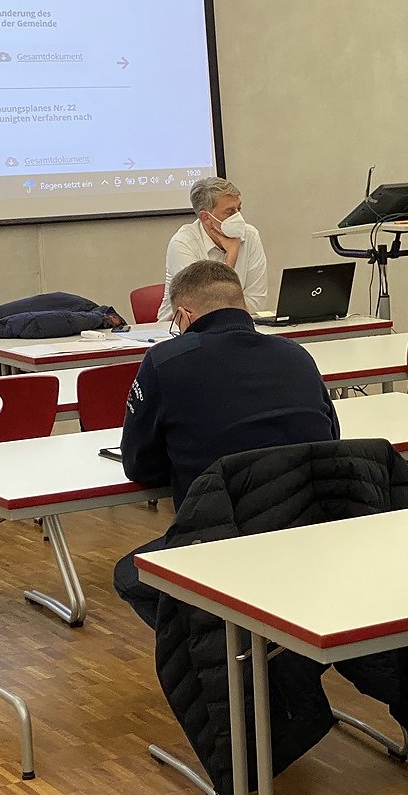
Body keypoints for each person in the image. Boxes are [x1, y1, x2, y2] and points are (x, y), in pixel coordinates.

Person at [114, 260, 339, 628]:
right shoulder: (296, 355)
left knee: (130, 576)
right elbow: (331, 440)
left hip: (224, 535)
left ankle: (224, 644)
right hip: (312, 527)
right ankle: (260, 642)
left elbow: (139, 466)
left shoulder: (165, 361)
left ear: (183, 316)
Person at [157, 176, 269, 320]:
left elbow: (257, 299)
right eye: (230, 212)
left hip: (238, 324)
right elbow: (203, 306)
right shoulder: (183, 243)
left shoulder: (250, 235)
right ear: (206, 218)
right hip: (181, 329)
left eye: (239, 209)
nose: (238, 217)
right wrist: (231, 257)